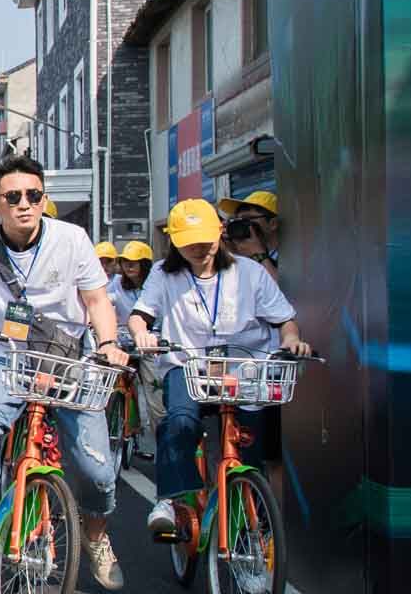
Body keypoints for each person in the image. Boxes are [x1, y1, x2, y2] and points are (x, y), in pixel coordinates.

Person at [0, 154, 130, 589]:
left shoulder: (73, 239)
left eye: (34, 195)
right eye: (14, 196)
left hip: (67, 359)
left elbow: (97, 301)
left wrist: (110, 344)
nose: (25, 204)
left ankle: (97, 539)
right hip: (7, 354)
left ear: (44, 199)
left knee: (97, 470)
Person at [128, 198, 307, 544]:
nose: (199, 247)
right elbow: (140, 315)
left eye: (206, 239)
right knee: (179, 420)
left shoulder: (250, 272)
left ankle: (253, 537)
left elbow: (285, 319)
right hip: (189, 366)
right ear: (174, 241)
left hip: (245, 369)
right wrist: (141, 333)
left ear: (221, 232)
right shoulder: (164, 274)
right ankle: (170, 500)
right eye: (189, 241)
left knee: (249, 453)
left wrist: (292, 340)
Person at [219, 189, 283, 271]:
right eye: (238, 219)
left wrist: (258, 255)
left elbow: (280, 284)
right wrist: (233, 252)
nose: (241, 224)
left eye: (248, 218)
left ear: (273, 224)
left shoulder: (293, 256)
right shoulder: (243, 253)